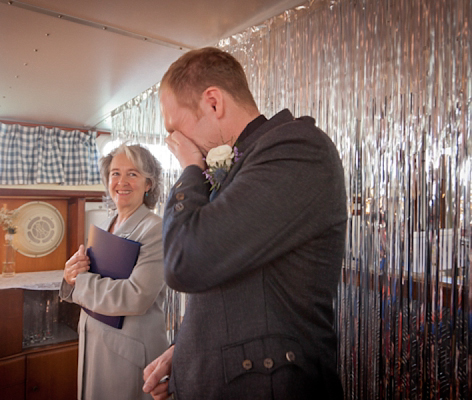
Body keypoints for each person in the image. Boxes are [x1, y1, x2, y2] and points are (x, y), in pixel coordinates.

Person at [142, 47, 347, 399]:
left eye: (176, 129)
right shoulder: (244, 164)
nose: (175, 143)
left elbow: (185, 261)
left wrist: (190, 167)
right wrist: (190, 352)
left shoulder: (296, 148)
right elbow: (238, 287)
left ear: (213, 103)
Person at [60, 144, 169, 400]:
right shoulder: (105, 225)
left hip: (128, 351)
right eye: (115, 174)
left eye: (132, 174)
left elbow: (136, 296)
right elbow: (84, 274)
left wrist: (80, 282)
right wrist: (69, 275)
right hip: (95, 342)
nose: (122, 182)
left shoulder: (156, 230)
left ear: (149, 184)